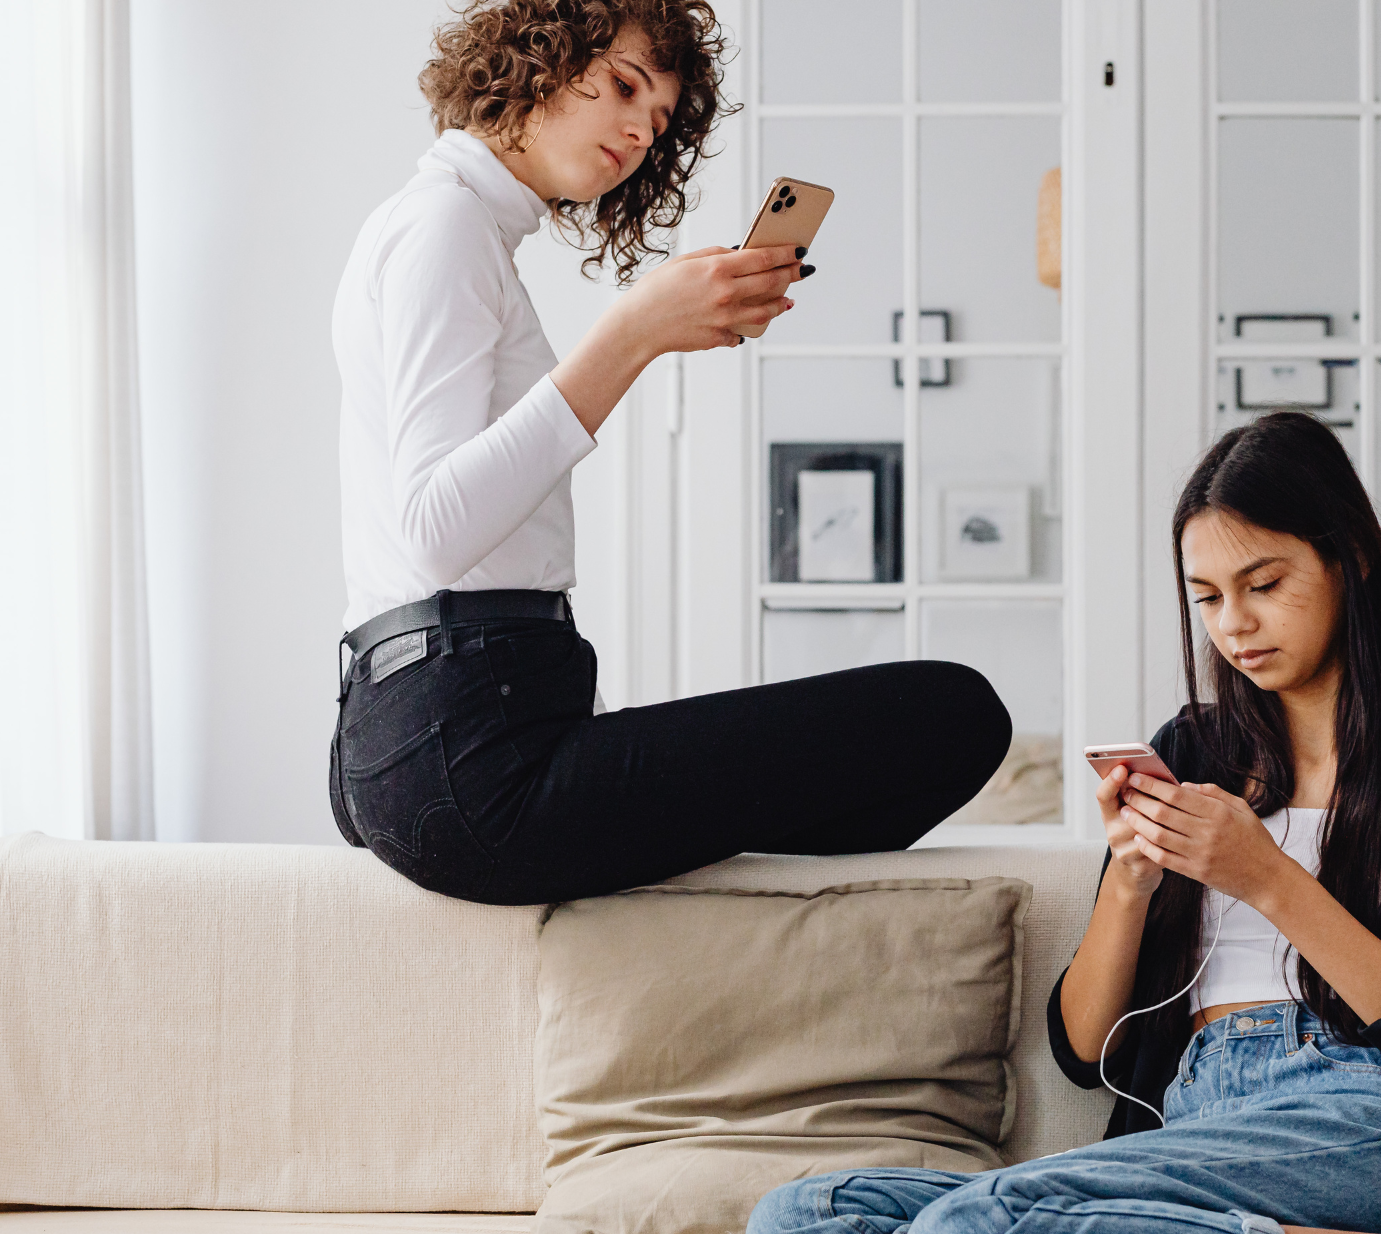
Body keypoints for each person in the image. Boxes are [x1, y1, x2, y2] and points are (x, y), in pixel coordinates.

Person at [746, 414, 1381, 1234]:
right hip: (1191, 1116)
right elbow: (1083, 1051)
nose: (1234, 626)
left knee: (967, 1232)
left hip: (1372, 1116)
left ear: (1353, 561)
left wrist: (1266, 878)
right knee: (800, 1223)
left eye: (1264, 585)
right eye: (1209, 597)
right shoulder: (1194, 753)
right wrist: (1131, 884)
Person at [329, 0, 1009, 906]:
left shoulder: (462, 230)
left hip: (438, 728)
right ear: (535, 58)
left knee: (879, 762)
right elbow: (431, 533)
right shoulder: (443, 225)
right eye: (620, 86)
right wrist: (635, 333)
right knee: (952, 716)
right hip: (463, 741)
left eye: (657, 123)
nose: (637, 132)